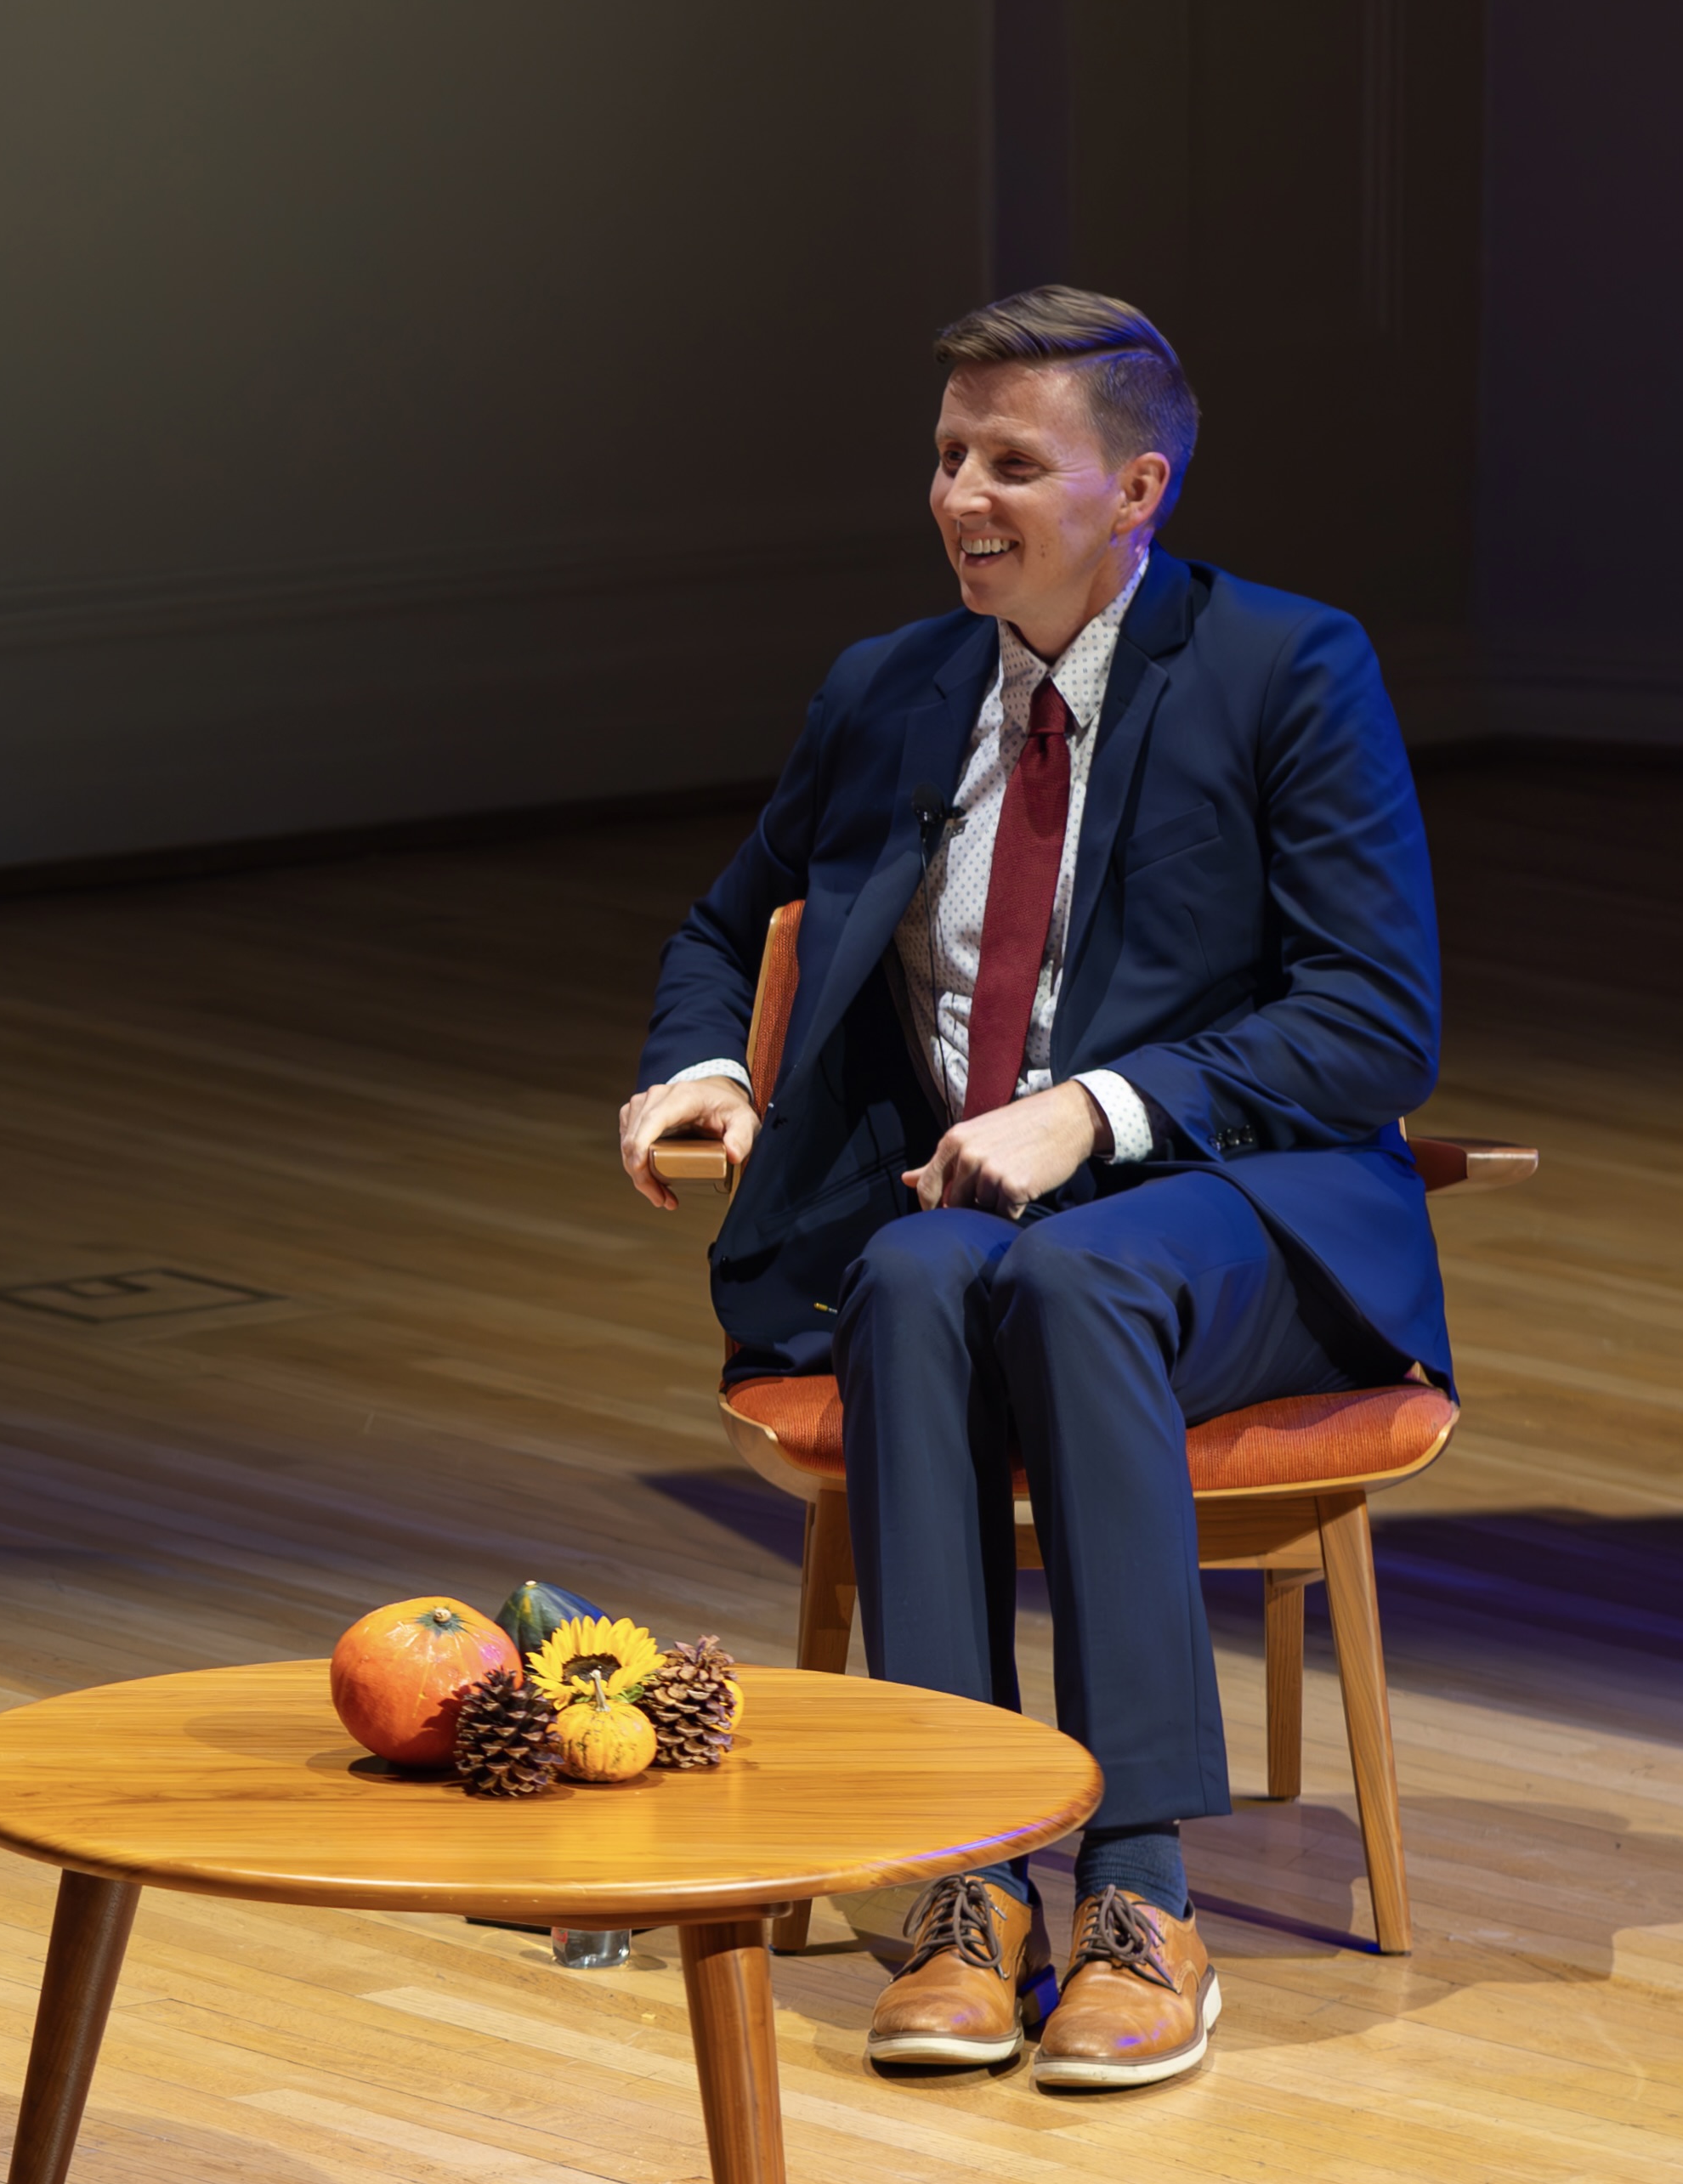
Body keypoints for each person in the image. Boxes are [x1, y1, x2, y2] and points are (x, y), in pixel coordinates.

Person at [618, 289, 1444, 2091]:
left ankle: (1142, 1892)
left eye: (1012, 461)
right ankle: (961, 1878)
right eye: (943, 457)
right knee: (913, 1279)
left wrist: (1100, 1108)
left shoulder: (1283, 667)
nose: (959, 497)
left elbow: (1373, 1023)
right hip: (968, 1227)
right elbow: (717, 923)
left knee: (1063, 1280)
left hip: (1246, 1206)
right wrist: (697, 1067)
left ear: (1132, 486)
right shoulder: (888, 691)